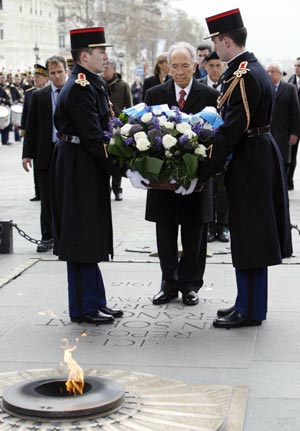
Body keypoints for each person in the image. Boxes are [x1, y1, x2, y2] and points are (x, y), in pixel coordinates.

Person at [195, 8, 293, 328]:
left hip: (251, 158)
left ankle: (250, 309)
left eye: (215, 42)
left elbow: (234, 128)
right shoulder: (246, 68)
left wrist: (202, 166)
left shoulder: (244, 74)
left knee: (251, 235)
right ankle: (245, 301)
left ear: (226, 40)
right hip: (252, 155)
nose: (214, 49)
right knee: (246, 233)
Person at [50, 27, 147, 325]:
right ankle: (84, 306)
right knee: (81, 236)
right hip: (77, 165)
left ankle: (95, 300)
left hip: (85, 164)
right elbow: (94, 138)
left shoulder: (92, 82)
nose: (105, 55)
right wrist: (125, 169)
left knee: (89, 234)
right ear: (83, 56)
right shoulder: (80, 87)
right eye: (100, 51)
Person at [144, 41, 219, 306]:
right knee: (165, 233)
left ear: (194, 66)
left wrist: (201, 172)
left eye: (185, 65)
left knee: (194, 233)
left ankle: (190, 285)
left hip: (196, 180)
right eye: (174, 66)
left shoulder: (210, 97)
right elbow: (143, 132)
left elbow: (216, 139)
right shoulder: (154, 93)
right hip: (163, 180)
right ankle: (169, 284)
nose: (179, 71)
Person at [22, 56, 67, 252]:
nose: (57, 76)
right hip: (46, 152)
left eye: (60, 72)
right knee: (47, 198)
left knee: (67, 196)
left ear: (66, 71)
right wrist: (26, 154)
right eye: (53, 73)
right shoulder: (39, 96)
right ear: (48, 75)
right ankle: (47, 236)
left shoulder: (75, 92)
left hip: (68, 152)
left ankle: (66, 236)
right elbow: (31, 126)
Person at [199, 51, 229, 243]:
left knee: (224, 186)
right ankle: (209, 226)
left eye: (219, 65)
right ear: (205, 67)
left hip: (225, 141)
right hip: (203, 142)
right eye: (212, 66)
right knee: (207, 185)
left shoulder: (230, 83)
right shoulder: (200, 86)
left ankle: (224, 226)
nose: (216, 69)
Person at [102, 58, 133, 201]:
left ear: (114, 69)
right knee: (104, 157)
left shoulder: (123, 86)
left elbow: (129, 107)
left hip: (118, 127)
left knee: (117, 158)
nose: (105, 71)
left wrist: (127, 125)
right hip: (103, 127)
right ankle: (105, 189)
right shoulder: (99, 85)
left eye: (107, 68)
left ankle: (117, 189)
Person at [266, 62, 300, 184]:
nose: (270, 74)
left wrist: (295, 133)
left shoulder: (290, 89)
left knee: (283, 162)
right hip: (267, 132)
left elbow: (295, 113)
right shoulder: (263, 88)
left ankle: (283, 187)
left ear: (280, 74)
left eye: (273, 71)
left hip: (283, 133)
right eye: (268, 71)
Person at [20, 63, 49, 202]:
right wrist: (23, 132)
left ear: (45, 78)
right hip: (35, 135)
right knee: (37, 165)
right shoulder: (30, 93)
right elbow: (26, 114)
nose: (35, 79)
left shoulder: (52, 92)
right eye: (34, 77)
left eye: (38, 77)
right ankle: (38, 192)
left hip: (46, 133)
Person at [287, 57, 300, 190]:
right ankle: (289, 180)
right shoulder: (291, 81)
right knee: (292, 153)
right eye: (295, 65)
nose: (296, 68)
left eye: (299, 66)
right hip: (294, 126)